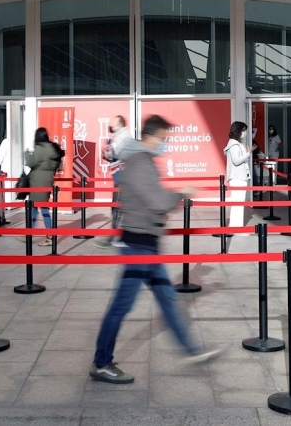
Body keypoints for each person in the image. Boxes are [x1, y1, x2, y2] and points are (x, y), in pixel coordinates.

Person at [90, 115, 221, 384]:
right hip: (137, 246)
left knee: (167, 300)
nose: (166, 144)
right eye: (164, 139)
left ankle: (191, 350)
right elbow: (157, 202)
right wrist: (181, 192)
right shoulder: (140, 163)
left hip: (145, 244)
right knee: (121, 306)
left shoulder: (143, 162)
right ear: (151, 137)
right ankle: (102, 362)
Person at [24, 127, 64, 247]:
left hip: (37, 181)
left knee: (42, 208)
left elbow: (31, 163)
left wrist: (27, 155)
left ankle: (49, 235)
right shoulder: (53, 148)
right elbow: (60, 166)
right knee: (37, 207)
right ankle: (30, 233)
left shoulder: (40, 148)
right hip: (47, 180)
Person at [96, 116, 132, 248]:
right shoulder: (119, 137)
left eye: (113, 123)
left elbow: (117, 153)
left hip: (123, 177)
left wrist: (107, 151)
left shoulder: (124, 137)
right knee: (118, 208)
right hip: (120, 176)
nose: (111, 124)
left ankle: (113, 237)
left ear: (120, 125)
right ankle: (119, 236)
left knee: (117, 208)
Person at [223, 121, 254, 229]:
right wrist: (248, 153)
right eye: (244, 130)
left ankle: (236, 226)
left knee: (238, 203)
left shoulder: (235, 144)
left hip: (238, 176)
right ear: (238, 131)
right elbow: (236, 161)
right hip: (238, 177)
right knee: (238, 203)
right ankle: (236, 227)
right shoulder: (234, 145)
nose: (245, 133)